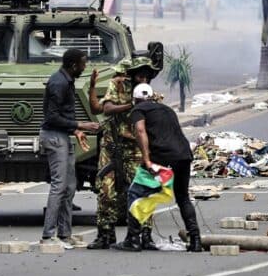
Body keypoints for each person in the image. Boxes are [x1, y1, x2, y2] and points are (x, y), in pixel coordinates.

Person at [114, 84, 203, 252]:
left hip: (162, 157)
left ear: (135, 99)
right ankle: (196, 240)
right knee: (183, 197)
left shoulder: (138, 110)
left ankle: (133, 239)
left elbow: (140, 131)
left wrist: (147, 160)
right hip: (184, 155)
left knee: (135, 193)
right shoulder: (166, 109)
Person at [40, 49, 98, 249]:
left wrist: (75, 130)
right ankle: (48, 236)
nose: (85, 67)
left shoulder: (67, 81)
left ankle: (65, 234)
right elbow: (52, 117)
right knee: (59, 186)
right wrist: (81, 125)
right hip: (54, 137)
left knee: (70, 186)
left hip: (63, 135)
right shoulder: (59, 83)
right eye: (83, 63)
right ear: (73, 65)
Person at [86, 59, 140, 249]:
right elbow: (100, 108)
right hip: (111, 147)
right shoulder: (114, 89)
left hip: (134, 150)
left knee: (139, 191)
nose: (117, 78)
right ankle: (105, 234)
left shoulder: (145, 92)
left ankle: (139, 236)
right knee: (106, 191)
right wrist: (92, 86)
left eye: (120, 74)